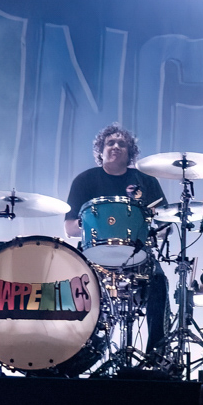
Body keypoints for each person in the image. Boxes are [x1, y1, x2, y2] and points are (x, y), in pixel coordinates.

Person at [64, 123, 169, 356]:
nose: (115, 146)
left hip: (137, 256)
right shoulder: (84, 180)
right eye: (110, 143)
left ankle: (157, 354)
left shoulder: (146, 180)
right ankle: (78, 354)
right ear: (100, 150)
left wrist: (158, 228)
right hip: (94, 258)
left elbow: (165, 223)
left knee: (159, 281)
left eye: (122, 143)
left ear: (130, 152)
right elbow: (69, 228)